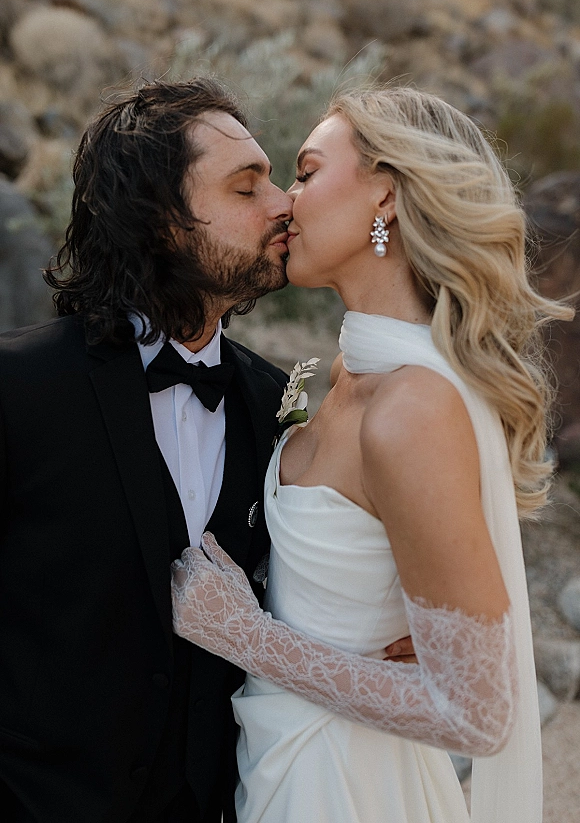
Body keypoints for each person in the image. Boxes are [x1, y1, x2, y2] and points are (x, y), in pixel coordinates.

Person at [171, 87, 574, 823]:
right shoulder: (352, 374)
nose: (287, 202)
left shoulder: (412, 409)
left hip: (343, 791)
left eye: (307, 171)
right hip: (283, 766)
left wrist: (245, 635)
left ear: (385, 195)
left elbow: (479, 715)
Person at [0, 78, 296, 822]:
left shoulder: (274, 403)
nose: (284, 202)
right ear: (163, 220)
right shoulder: (20, 387)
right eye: (247, 186)